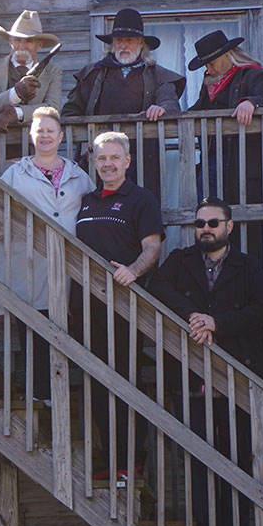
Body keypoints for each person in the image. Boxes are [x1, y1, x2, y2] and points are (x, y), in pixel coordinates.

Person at [148, 196, 263, 526]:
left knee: (239, 461)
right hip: (191, 378)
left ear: (229, 227)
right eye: (200, 224)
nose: (205, 229)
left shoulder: (248, 267)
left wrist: (218, 324)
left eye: (213, 223)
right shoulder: (179, 261)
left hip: (238, 378)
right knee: (200, 460)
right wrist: (195, 317)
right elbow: (159, 289)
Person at [74, 130, 163, 484]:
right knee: (95, 382)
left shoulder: (140, 199)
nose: (107, 164)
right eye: (101, 158)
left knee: (125, 381)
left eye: (114, 158)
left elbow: (152, 247)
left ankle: (132, 460)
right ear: (94, 163)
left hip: (125, 305)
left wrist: (134, 271)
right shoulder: (86, 201)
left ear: (127, 161)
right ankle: (107, 459)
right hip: (84, 304)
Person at [0, 107, 93, 403]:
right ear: (31, 136)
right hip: (25, 261)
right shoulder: (14, 173)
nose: (45, 136)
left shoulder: (79, 175)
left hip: (67, 265)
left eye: (51, 130)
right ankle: (38, 395)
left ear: (61, 136)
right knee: (31, 326)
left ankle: (59, 395)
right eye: (40, 131)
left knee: (63, 324)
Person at [62, 8, 185, 201]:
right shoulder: (93, 74)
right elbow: (70, 112)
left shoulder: (157, 74)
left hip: (142, 159)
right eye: (119, 40)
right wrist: (85, 138)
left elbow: (169, 101)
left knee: (140, 210)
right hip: (101, 160)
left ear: (141, 43)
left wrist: (161, 108)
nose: (123, 45)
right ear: (112, 44)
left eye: (130, 40)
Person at [186, 31, 263, 266]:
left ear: (227, 55)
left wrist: (251, 102)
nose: (209, 68)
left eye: (212, 62)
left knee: (244, 219)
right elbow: (197, 111)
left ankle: (247, 270)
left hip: (242, 161)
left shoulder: (252, 75)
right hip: (214, 160)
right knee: (211, 213)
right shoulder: (210, 84)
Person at [0, 10, 62, 169]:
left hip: (38, 156)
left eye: (28, 41)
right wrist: (15, 94)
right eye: (17, 40)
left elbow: (53, 109)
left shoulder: (52, 71)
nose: (21, 46)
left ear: (39, 45)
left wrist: (17, 113)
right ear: (10, 42)